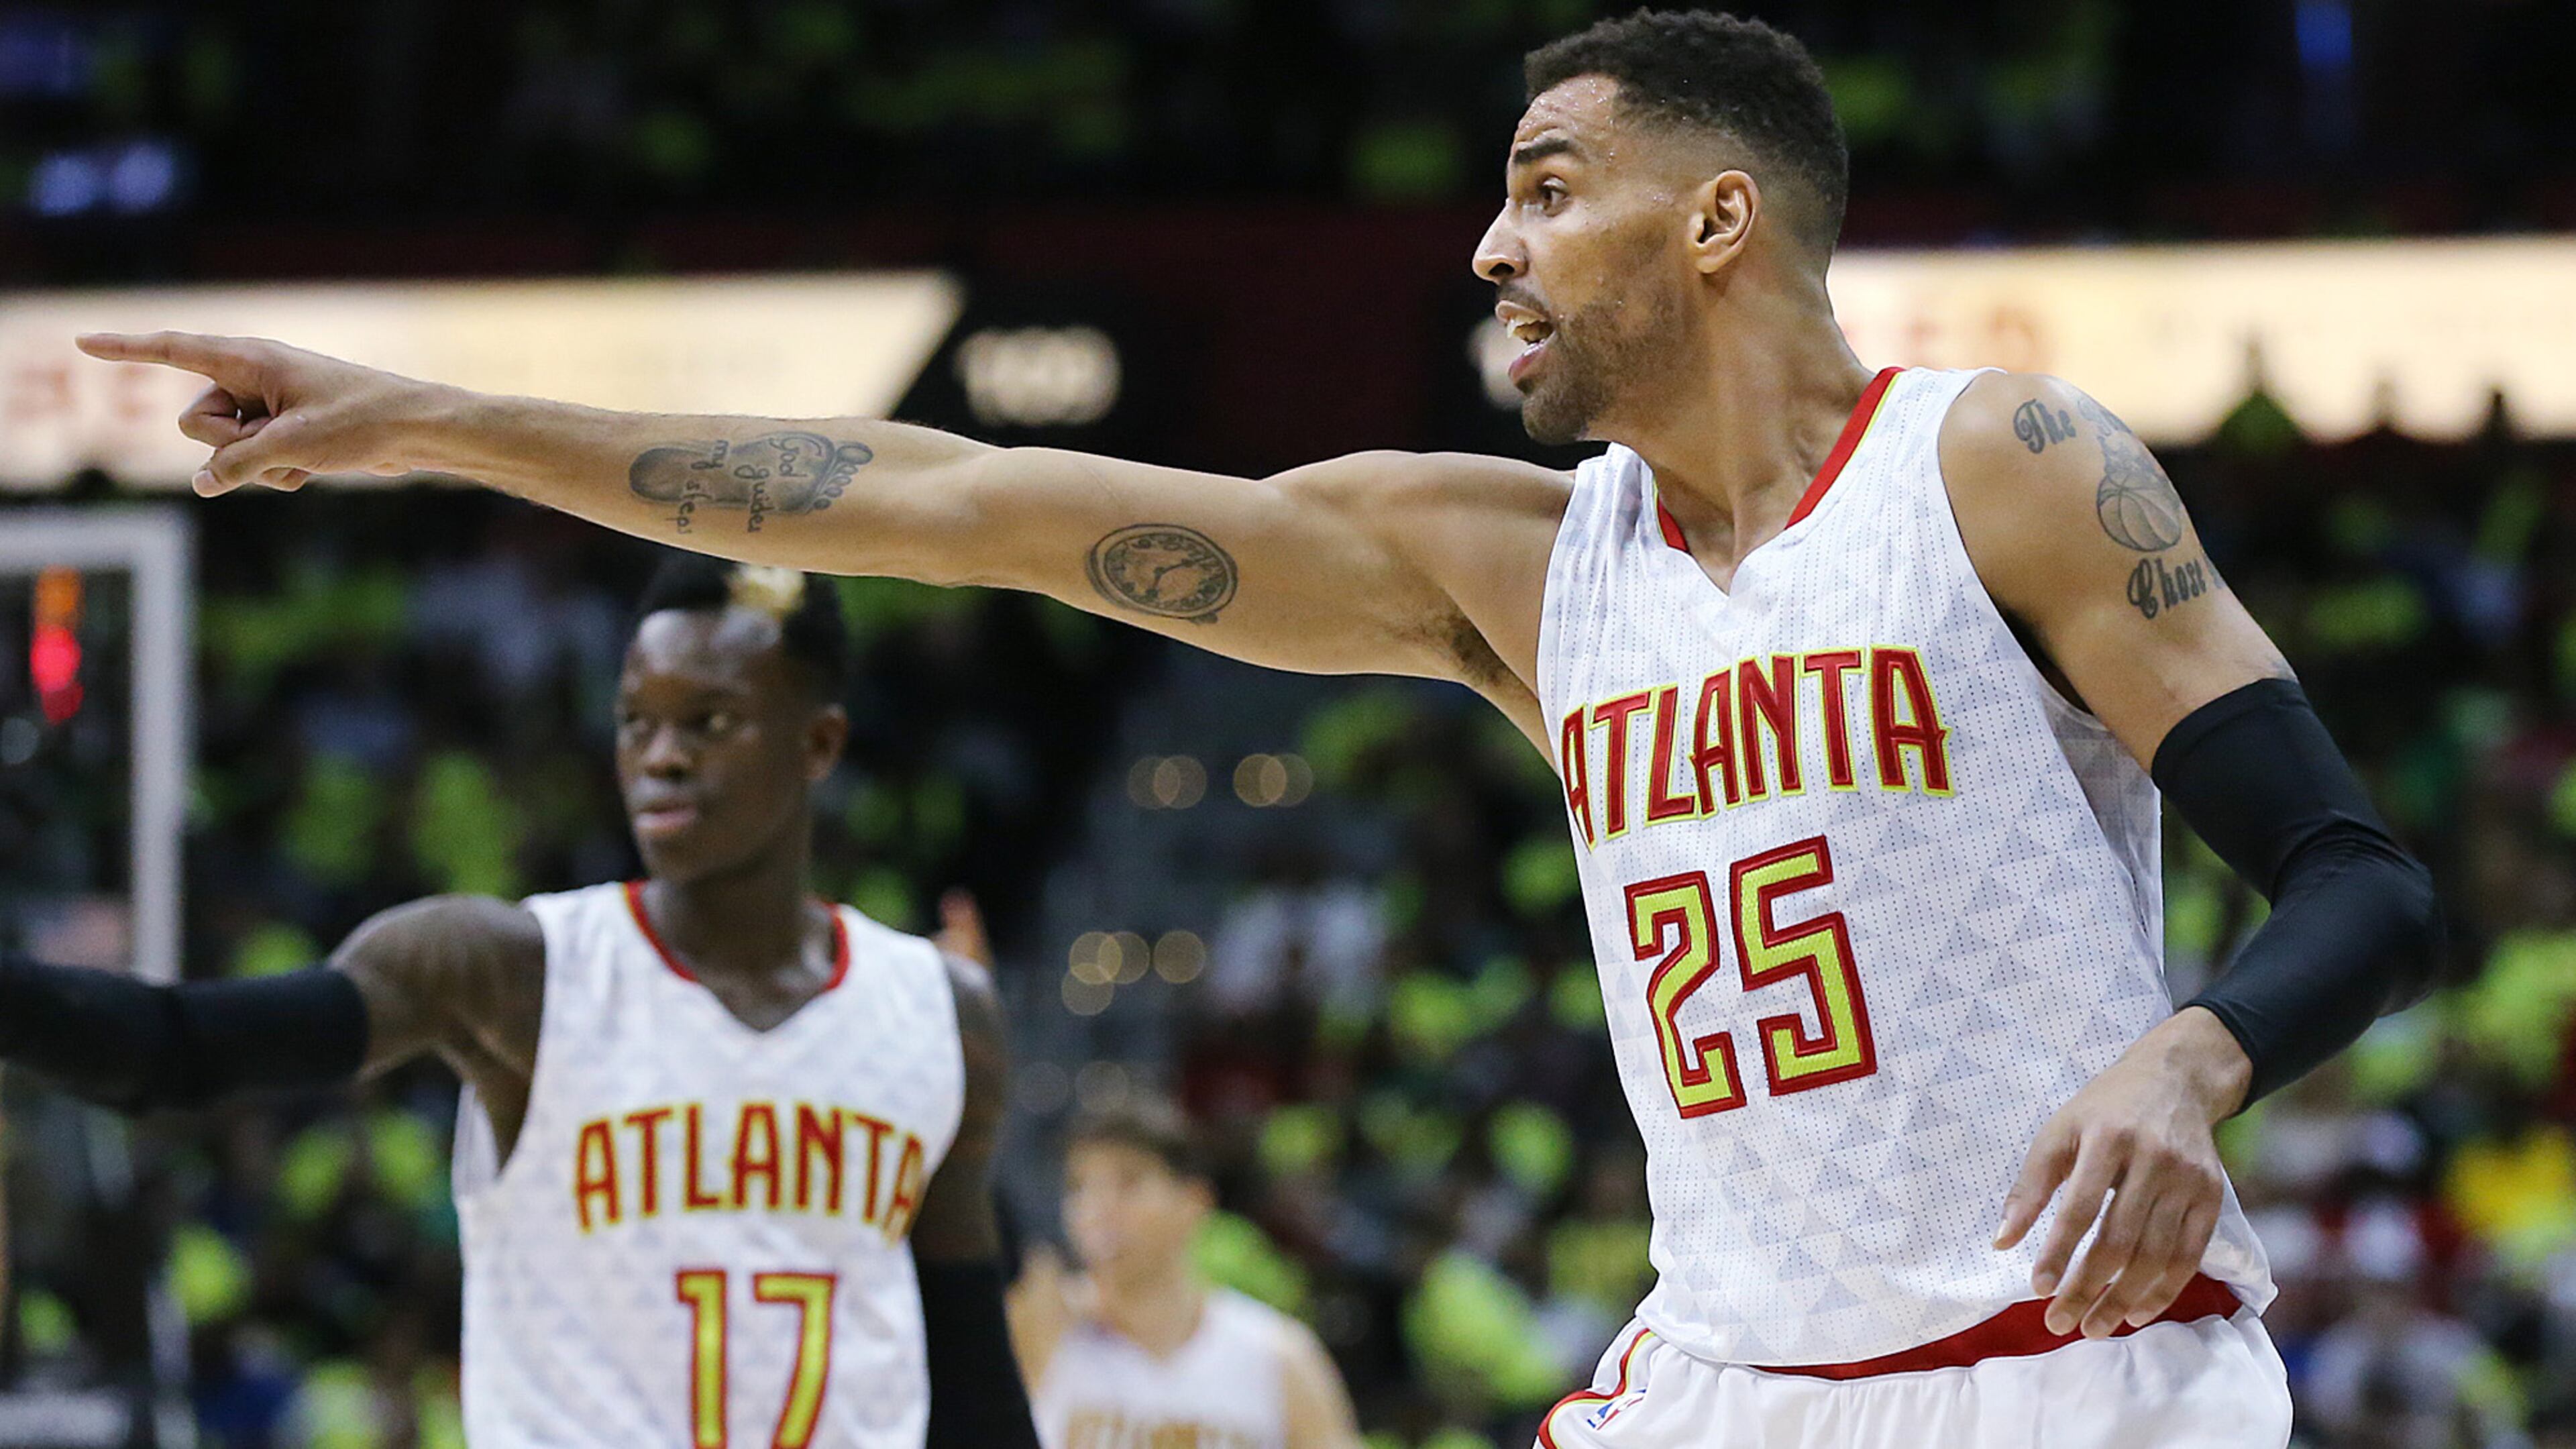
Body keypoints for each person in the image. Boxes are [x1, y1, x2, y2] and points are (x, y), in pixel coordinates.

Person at [78, 10, 2444, 1444]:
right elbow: (953, 498)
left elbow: (2362, 879)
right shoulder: (1506, 563)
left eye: (1546, 187)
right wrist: (439, 419)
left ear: (1722, 218)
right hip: (1722, 1387)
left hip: (2079, 1380)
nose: (1491, 246)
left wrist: (2193, 1056)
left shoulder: (1995, 467)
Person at [0, 557, 1040, 1449]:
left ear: (818, 745)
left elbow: (972, 1374)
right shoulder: (509, 967)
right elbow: (174, 1050)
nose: (661, 756)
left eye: (710, 722)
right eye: (637, 721)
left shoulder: (943, 1011)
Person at [1007, 1096, 1360, 1449]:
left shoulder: (1276, 1356)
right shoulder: (1039, 1331)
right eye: (1079, 1187)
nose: (1098, 1207)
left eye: (1127, 1182)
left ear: (1194, 1201)